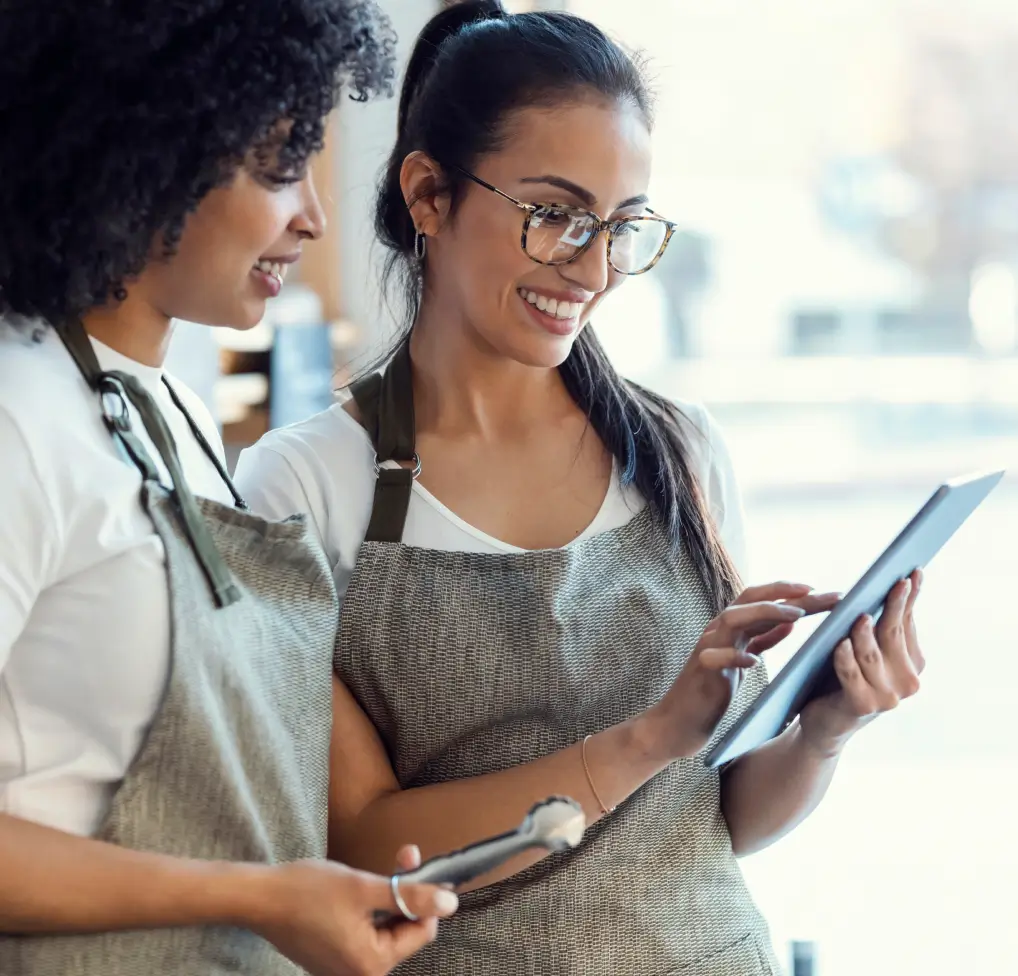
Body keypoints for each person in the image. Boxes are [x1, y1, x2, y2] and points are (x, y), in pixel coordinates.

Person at [235, 3, 926, 974]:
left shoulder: (680, 452)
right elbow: (356, 842)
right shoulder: (303, 482)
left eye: (622, 226)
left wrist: (822, 729)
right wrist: (640, 741)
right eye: (554, 215)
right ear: (428, 193)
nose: (594, 267)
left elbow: (723, 820)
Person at [0, 3, 458, 974]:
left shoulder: (175, 410)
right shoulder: (16, 414)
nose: (315, 216)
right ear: (148, 148)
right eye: (280, 166)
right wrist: (255, 894)